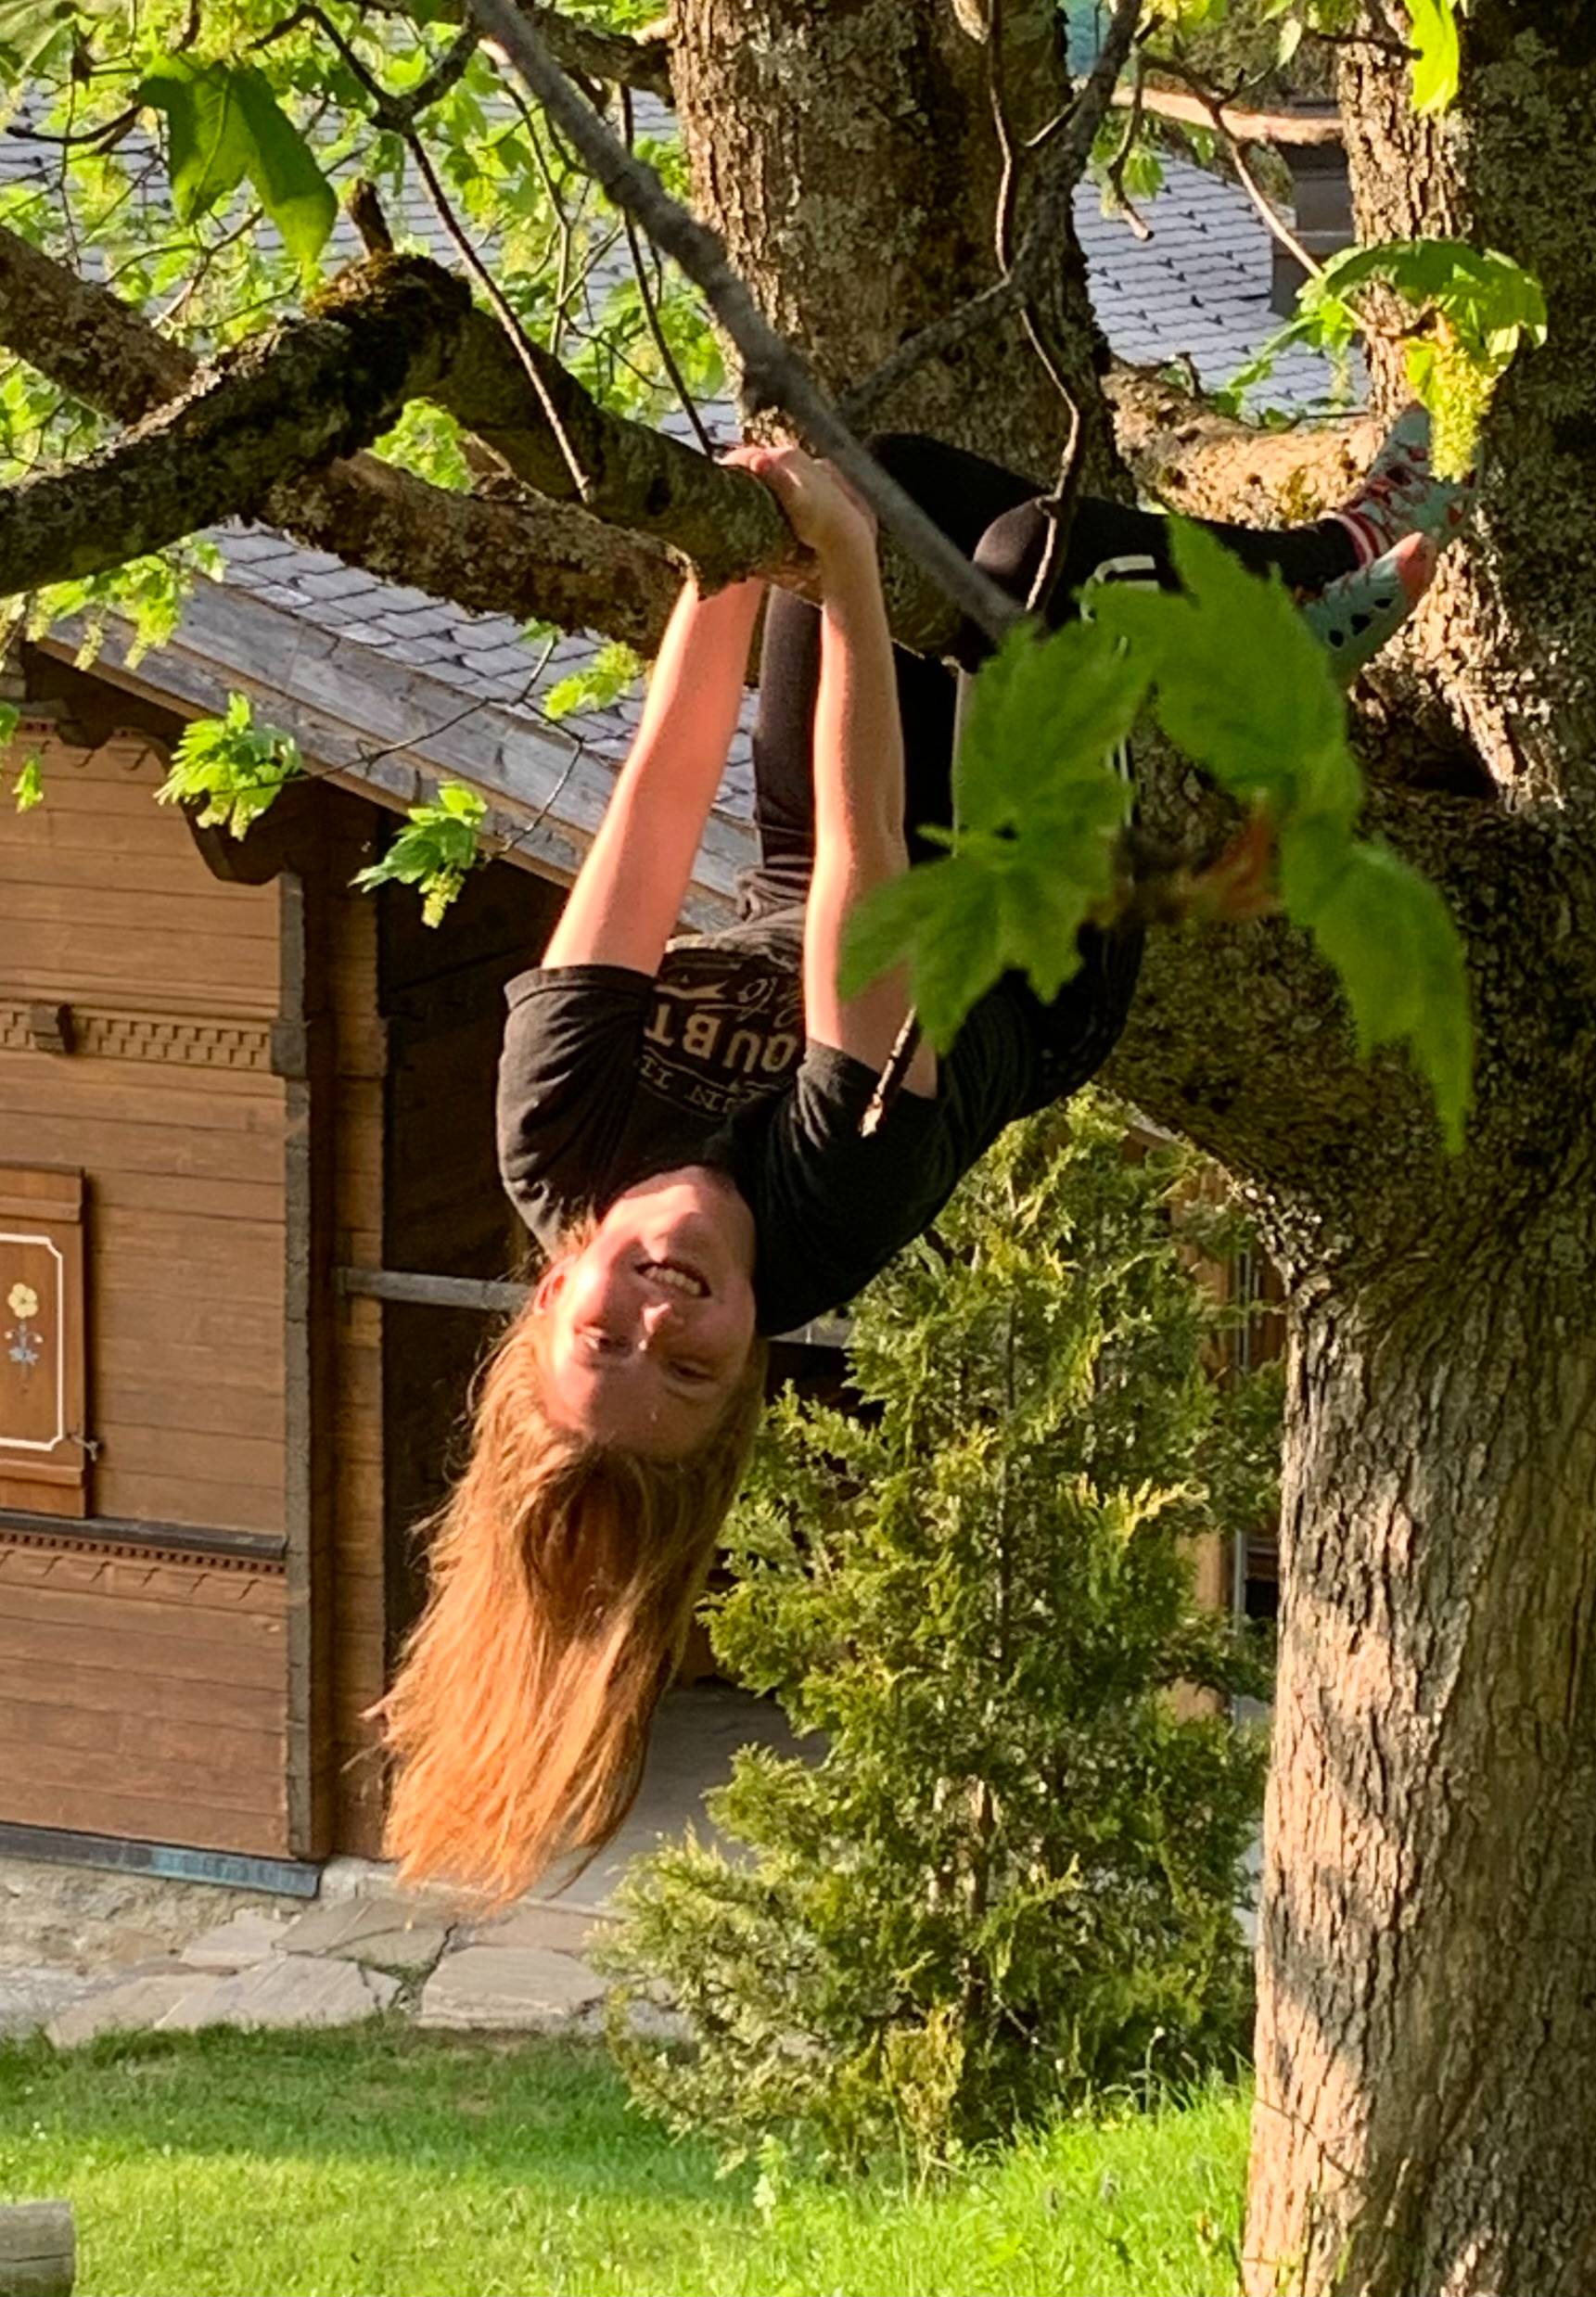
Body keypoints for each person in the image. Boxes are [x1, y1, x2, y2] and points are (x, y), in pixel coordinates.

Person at [373, 417, 1467, 1900]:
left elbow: (655, 807)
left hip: (798, 865)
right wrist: (842, 580)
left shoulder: (549, 1132)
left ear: (553, 1294)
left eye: (608, 1332)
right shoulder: (840, 1203)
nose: (661, 1304)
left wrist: (734, 561)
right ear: (747, 1364)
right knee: (1041, 570)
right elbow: (874, 876)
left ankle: (1237, 636)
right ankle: (1313, 586)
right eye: (688, 1365)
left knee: (882, 467)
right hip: (1026, 938)